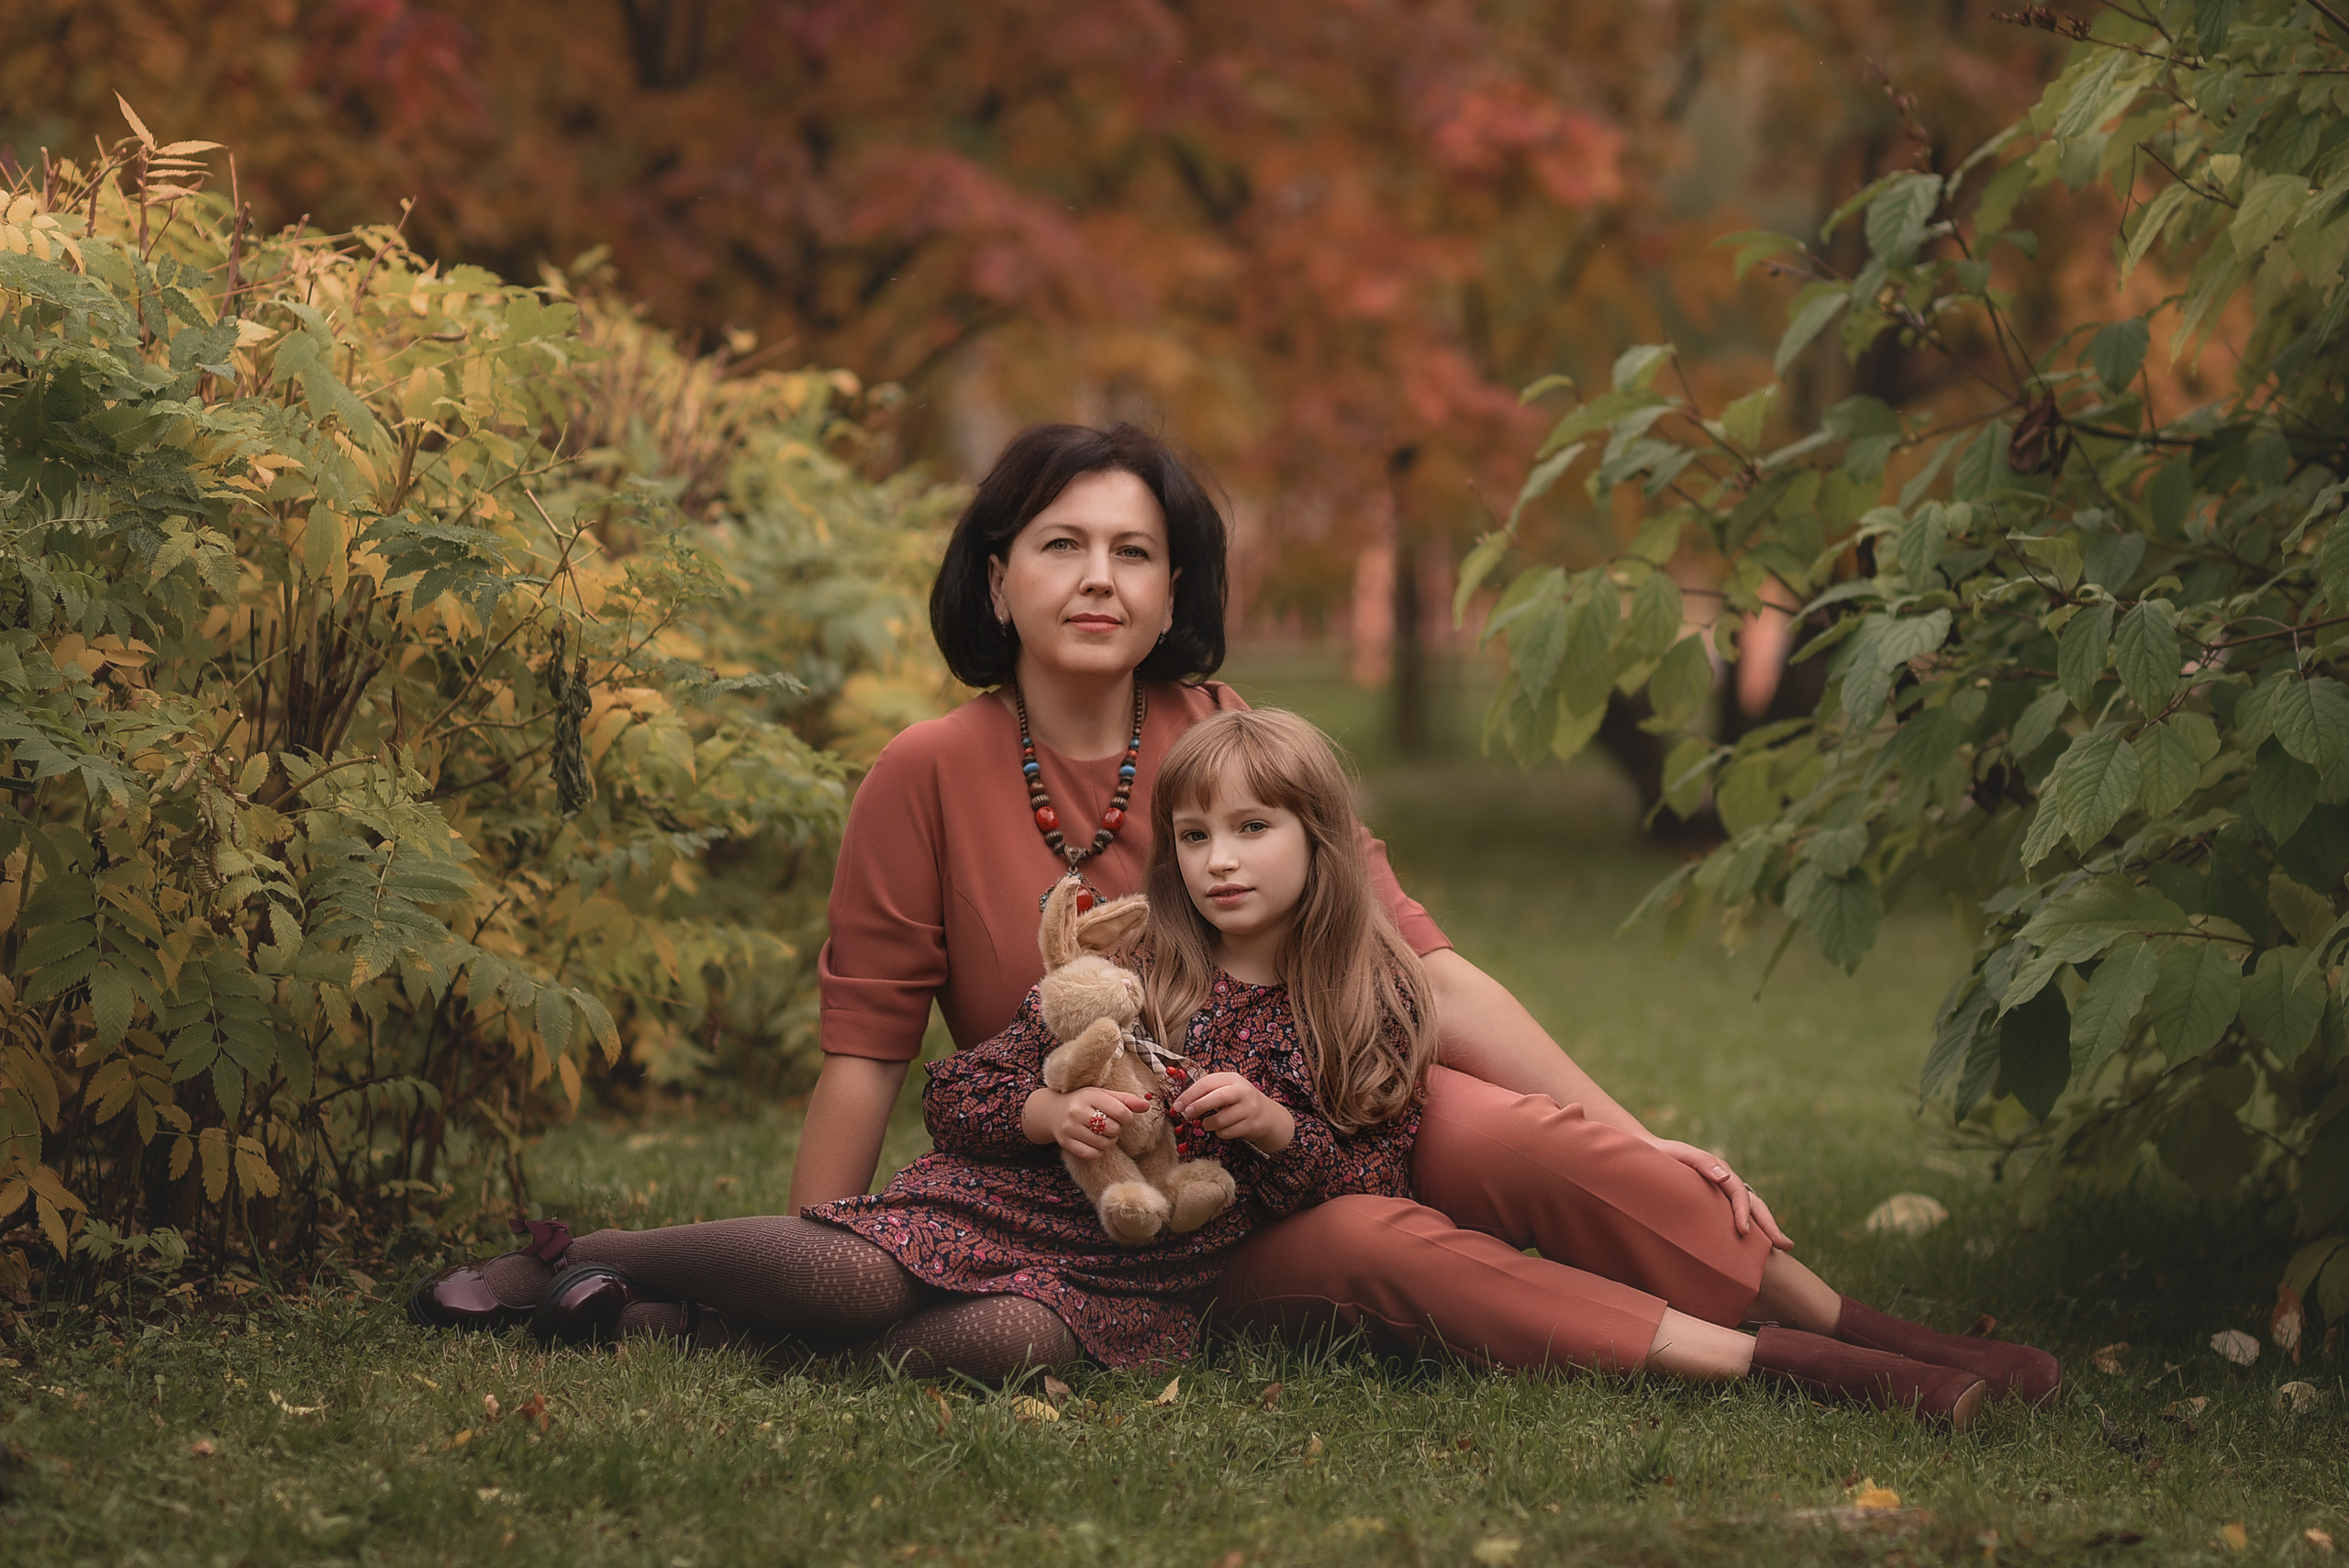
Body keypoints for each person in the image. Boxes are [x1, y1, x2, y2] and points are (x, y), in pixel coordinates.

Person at [408, 422, 2058, 1410]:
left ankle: (1852, 1325)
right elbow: (867, 1054)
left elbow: (1418, 966)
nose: (1099, 577)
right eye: (1058, 543)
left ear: (1175, 582)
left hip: (1318, 1124)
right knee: (1353, 1239)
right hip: (1118, 1209)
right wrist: (830, 1251)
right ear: (998, 578)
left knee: (1522, 1143)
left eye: (1136, 547)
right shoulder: (923, 769)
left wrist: (1643, 1129)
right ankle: (1768, 1373)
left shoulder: (1229, 739)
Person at [421, 710, 2007, 1426]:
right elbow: (959, 1088)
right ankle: (571, 1262)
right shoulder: (1137, 962)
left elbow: (1371, 1169)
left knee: (978, 1352)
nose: (1222, 858)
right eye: (1197, 832)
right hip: (1011, 1198)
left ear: (1330, 845)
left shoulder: (1367, 1007)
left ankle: (676, 1327)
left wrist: (1266, 1136)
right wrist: (1049, 1102)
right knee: (856, 1277)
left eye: (1255, 829)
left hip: (1132, 1284)